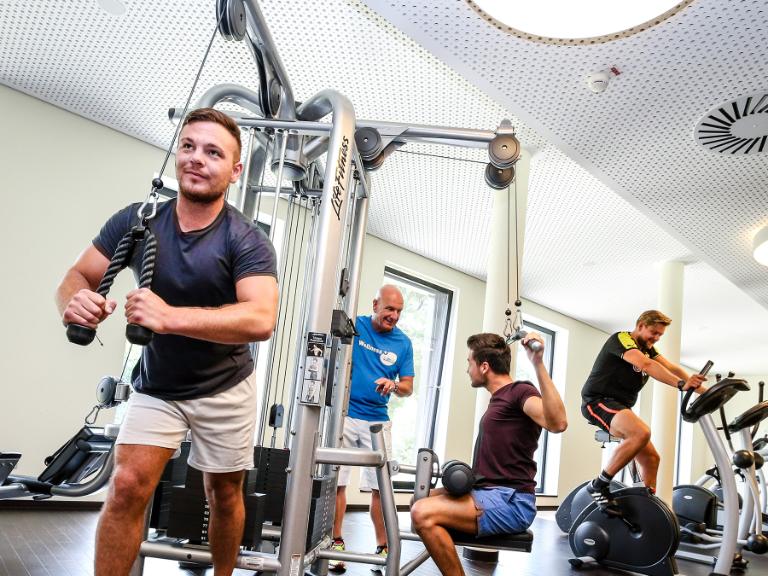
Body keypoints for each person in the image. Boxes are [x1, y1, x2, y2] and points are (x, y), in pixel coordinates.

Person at [55, 108, 279, 576]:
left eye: (213, 152)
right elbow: (78, 275)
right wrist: (74, 301)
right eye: (188, 146)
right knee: (126, 486)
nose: (196, 158)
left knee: (224, 494)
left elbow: (261, 317)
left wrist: (170, 317)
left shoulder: (246, 239)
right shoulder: (138, 220)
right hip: (158, 384)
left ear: (235, 171)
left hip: (225, 386)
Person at [409, 332, 567, 576]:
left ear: (484, 366)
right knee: (418, 500)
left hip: (512, 502)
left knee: (422, 512)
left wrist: (537, 363)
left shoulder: (520, 391)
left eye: (469, 362)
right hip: (486, 492)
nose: (467, 369)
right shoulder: (498, 399)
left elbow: (558, 423)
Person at [581, 310, 707, 508]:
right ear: (640, 326)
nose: (656, 338)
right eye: (653, 333)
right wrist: (682, 384)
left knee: (651, 459)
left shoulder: (648, 349)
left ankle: (645, 507)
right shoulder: (622, 339)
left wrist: (706, 392)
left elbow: (672, 368)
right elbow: (646, 364)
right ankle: (599, 485)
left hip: (621, 406)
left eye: (660, 335)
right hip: (598, 401)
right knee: (641, 432)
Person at [330, 285, 415, 570]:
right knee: (336, 482)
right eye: (390, 309)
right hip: (345, 415)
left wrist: (394, 385)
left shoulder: (403, 343)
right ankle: (335, 543)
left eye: (399, 311)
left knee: (381, 488)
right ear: (375, 304)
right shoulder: (357, 326)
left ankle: (383, 548)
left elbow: (408, 387)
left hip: (377, 419)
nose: (394, 316)